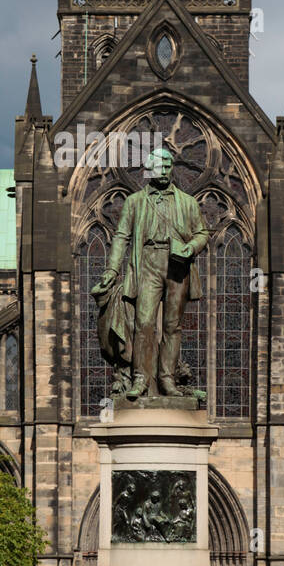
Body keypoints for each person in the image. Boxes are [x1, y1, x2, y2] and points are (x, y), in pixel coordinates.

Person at [91, 147, 208, 400]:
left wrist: (191, 247)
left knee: (172, 326)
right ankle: (141, 379)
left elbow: (202, 233)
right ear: (149, 169)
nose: (165, 171)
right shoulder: (134, 202)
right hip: (147, 263)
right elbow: (121, 236)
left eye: (168, 166)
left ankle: (167, 381)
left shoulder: (187, 203)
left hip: (178, 266)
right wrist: (112, 269)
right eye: (160, 166)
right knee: (143, 323)